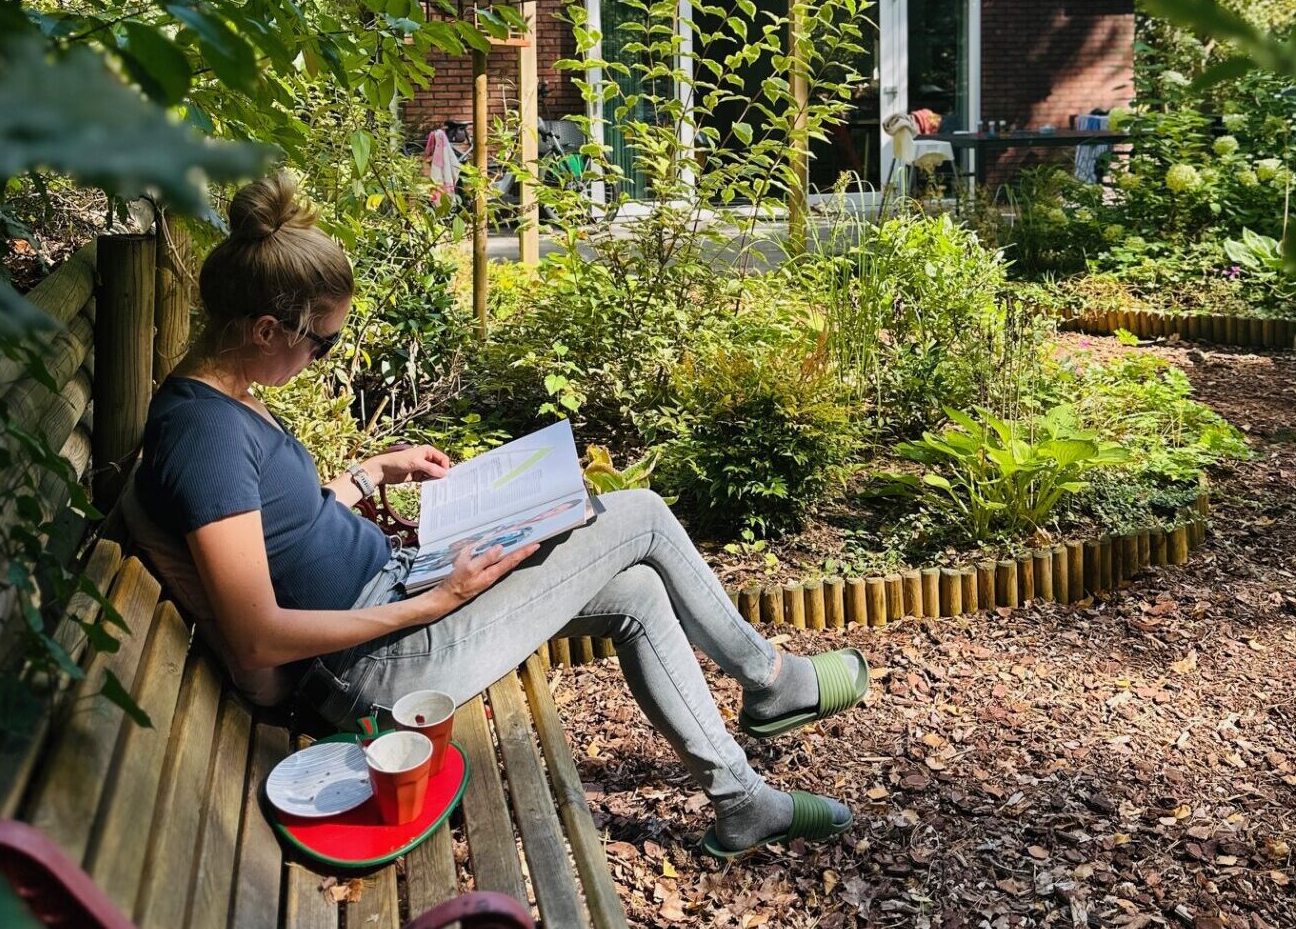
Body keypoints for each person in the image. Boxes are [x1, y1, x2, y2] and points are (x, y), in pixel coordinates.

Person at [134, 172, 867, 857]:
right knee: (638, 513)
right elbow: (259, 636)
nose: (322, 356)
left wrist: (369, 474)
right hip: (380, 663)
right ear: (265, 329)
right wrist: (436, 602)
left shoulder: (228, 400)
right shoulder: (206, 437)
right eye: (320, 341)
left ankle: (740, 800)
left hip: (399, 596)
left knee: (639, 594)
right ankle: (771, 680)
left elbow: (284, 530)